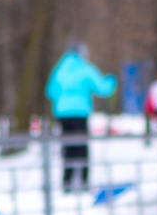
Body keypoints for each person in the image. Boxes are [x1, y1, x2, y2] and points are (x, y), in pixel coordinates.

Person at [46, 41, 116, 191]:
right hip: (80, 113)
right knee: (82, 147)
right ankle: (84, 181)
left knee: (68, 147)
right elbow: (103, 88)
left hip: (62, 114)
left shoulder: (60, 69)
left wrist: (63, 98)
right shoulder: (85, 69)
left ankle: (67, 181)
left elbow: (50, 91)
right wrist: (112, 80)